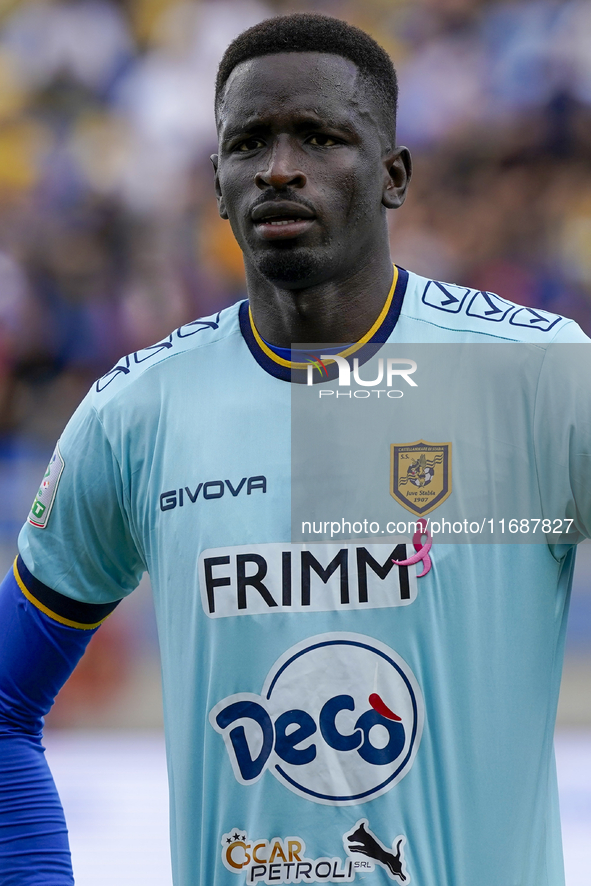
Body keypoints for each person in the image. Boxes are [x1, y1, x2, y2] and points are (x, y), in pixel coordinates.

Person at [1, 12, 590, 886]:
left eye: (319, 137)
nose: (280, 168)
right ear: (216, 182)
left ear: (393, 175)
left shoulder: (536, 378)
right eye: (250, 144)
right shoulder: (137, 411)